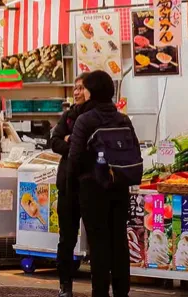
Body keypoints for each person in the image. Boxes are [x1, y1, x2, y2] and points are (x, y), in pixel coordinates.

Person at [68, 70, 137, 297]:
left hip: (93, 191)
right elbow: (134, 151)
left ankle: (100, 293)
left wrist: (72, 190)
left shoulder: (84, 120)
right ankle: (121, 293)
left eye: (85, 88)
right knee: (119, 243)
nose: (83, 92)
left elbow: (75, 159)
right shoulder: (123, 119)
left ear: (92, 92)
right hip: (119, 189)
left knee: (98, 246)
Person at [50, 74, 88, 297]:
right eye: (75, 88)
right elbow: (54, 142)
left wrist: (70, 140)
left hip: (91, 186)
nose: (76, 92)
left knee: (96, 236)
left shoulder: (94, 116)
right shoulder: (68, 115)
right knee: (66, 238)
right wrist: (68, 142)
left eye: (81, 88)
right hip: (67, 184)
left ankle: (100, 283)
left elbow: (86, 145)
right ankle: (65, 284)